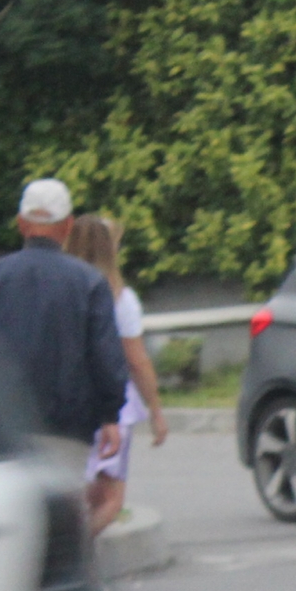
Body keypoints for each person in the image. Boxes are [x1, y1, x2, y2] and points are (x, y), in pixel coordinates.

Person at [0, 178, 126, 455]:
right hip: (68, 426)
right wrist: (110, 415)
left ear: (21, 224)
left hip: (4, 426)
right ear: (68, 225)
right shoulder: (89, 283)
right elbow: (105, 356)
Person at [63, 213, 167, 532]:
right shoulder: (120, 298)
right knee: (109, 499)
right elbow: (136, 360)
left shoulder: (61, 290)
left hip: (66, 398)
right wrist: (156, 409)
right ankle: (75, 561)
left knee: (75, 494)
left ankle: (72, 558)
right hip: (111, 402)